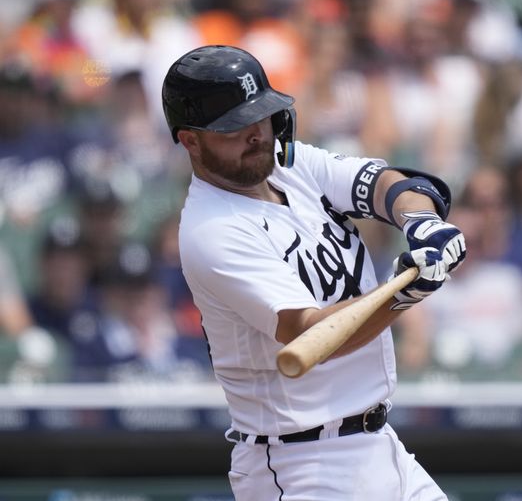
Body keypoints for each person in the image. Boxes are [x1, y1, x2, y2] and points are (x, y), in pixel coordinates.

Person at [161, 45, 466, 500]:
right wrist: (403, 295)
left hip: (381, 445)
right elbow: (309, 334)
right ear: (191, 140)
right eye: (234, 128)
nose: (256, 135)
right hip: (302, 466)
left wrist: (421, 221)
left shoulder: (291, 165)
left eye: (260, 117)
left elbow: (389, 184)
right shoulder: (213, 230)